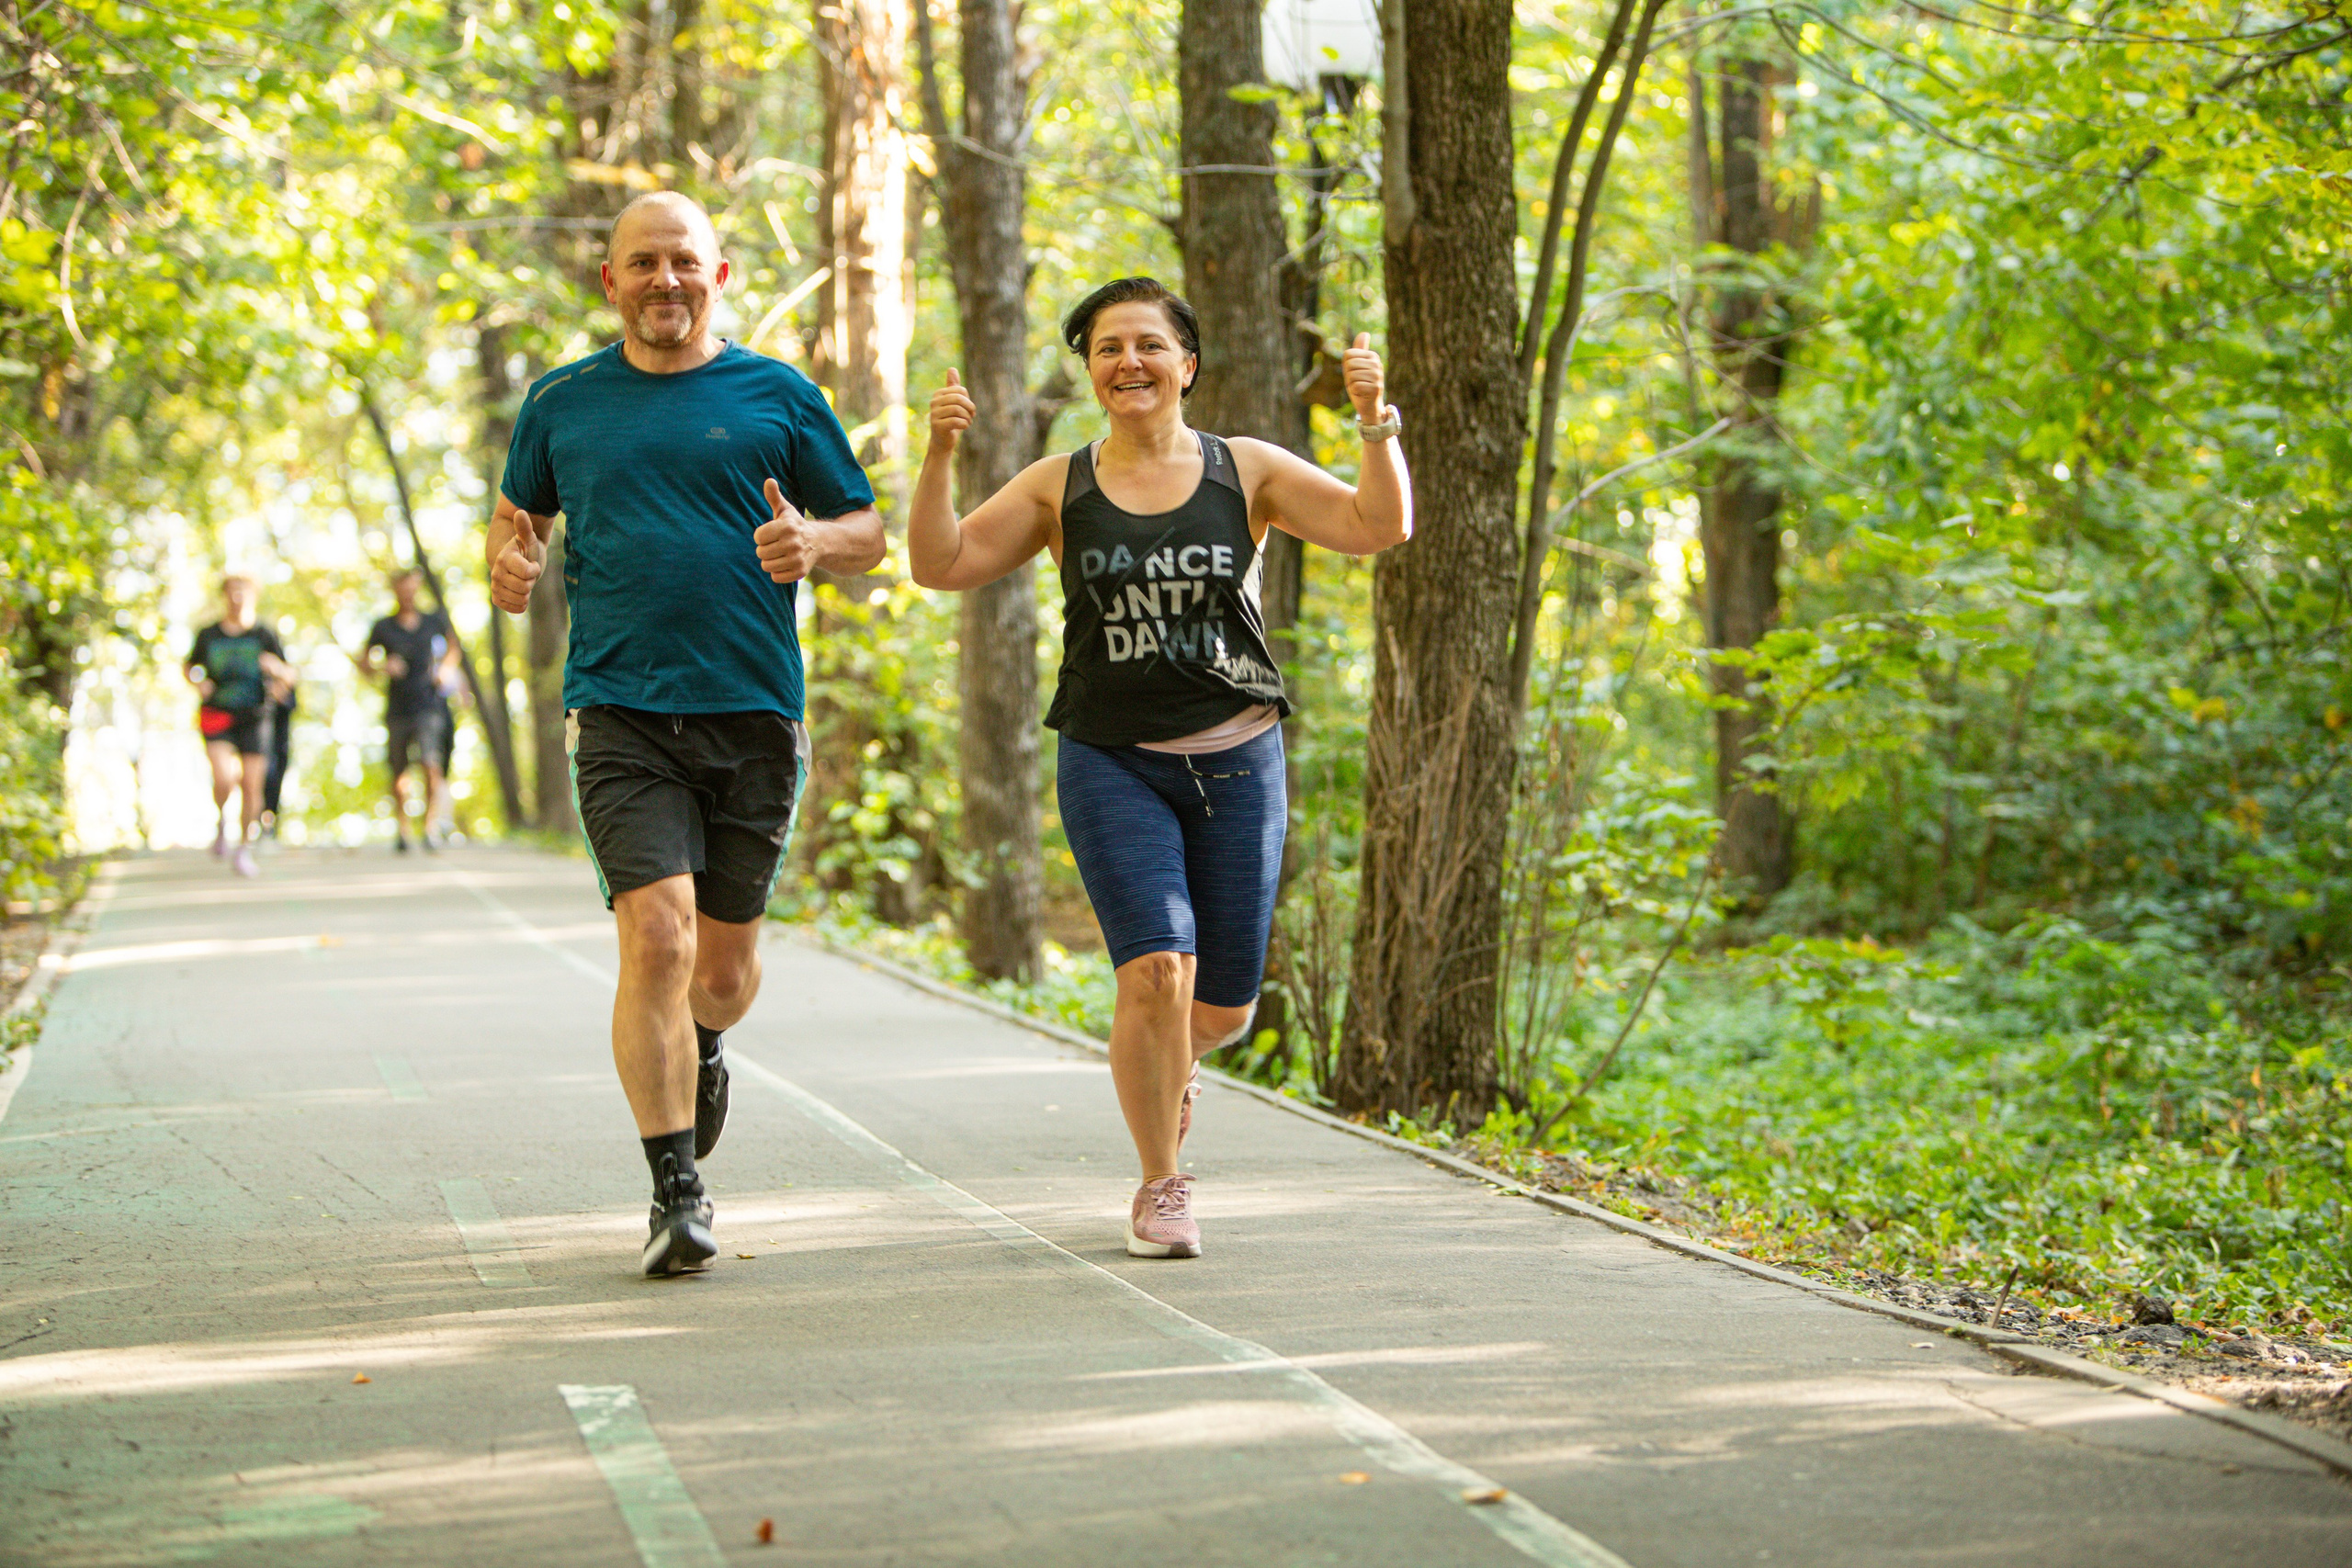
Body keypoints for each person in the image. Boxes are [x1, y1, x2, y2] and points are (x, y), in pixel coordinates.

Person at [910, 276, 1411, 1258]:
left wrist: (1372, 425)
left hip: (1238, 760)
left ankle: (1170, 1063)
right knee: (1155, 971)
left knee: (1217, 1009)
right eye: (1106, 348)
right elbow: (943, 563)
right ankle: (1160, 1184)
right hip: (1112, 759)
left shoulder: (1246, 470)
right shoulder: (1062, 485)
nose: (1127, 363)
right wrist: (937, 454)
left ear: (1187, 364)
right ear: (1090, 371)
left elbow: (1374, 527)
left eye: (1148, 345)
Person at [486, 190, 884, 1276]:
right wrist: (510, 567)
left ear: (718, 274)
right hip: (618, 710)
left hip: (753, 710)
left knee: (720, 975)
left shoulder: (778, 396)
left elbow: (869, 529)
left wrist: (816, 539)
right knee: (653, 942)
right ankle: (675, 1190)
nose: (666, 280)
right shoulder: (561, 402)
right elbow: (518, 521)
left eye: (685, 262)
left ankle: (703, 1046)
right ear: (608, 280)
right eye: (643, 263)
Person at [187, 573, 296, 879]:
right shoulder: (208, 634)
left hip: (257, 715)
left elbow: (290, 675)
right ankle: (222, 821)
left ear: (253, 595)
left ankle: (244, 848)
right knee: (223, 778)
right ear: (224, 595)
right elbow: (190, 666)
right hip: (217, 714)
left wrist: (276, 670)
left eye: (243, 591)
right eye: (231, 591)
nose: (237, 597)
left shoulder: (265, 634)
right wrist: (200, 682)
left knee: (252, 785)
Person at [360, 569, 461, 852]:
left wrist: (445, 669)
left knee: (432, 764)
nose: (408, 593)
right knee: (399, 772)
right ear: (395, 590)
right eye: (402, 588)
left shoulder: (433, 621)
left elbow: (454, 648)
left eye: (412, 588)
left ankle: (430, 827)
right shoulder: (383, 627)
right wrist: (383, 666)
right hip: (398, 707)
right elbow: (364, 664)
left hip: (430, 705)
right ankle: (403, 829)